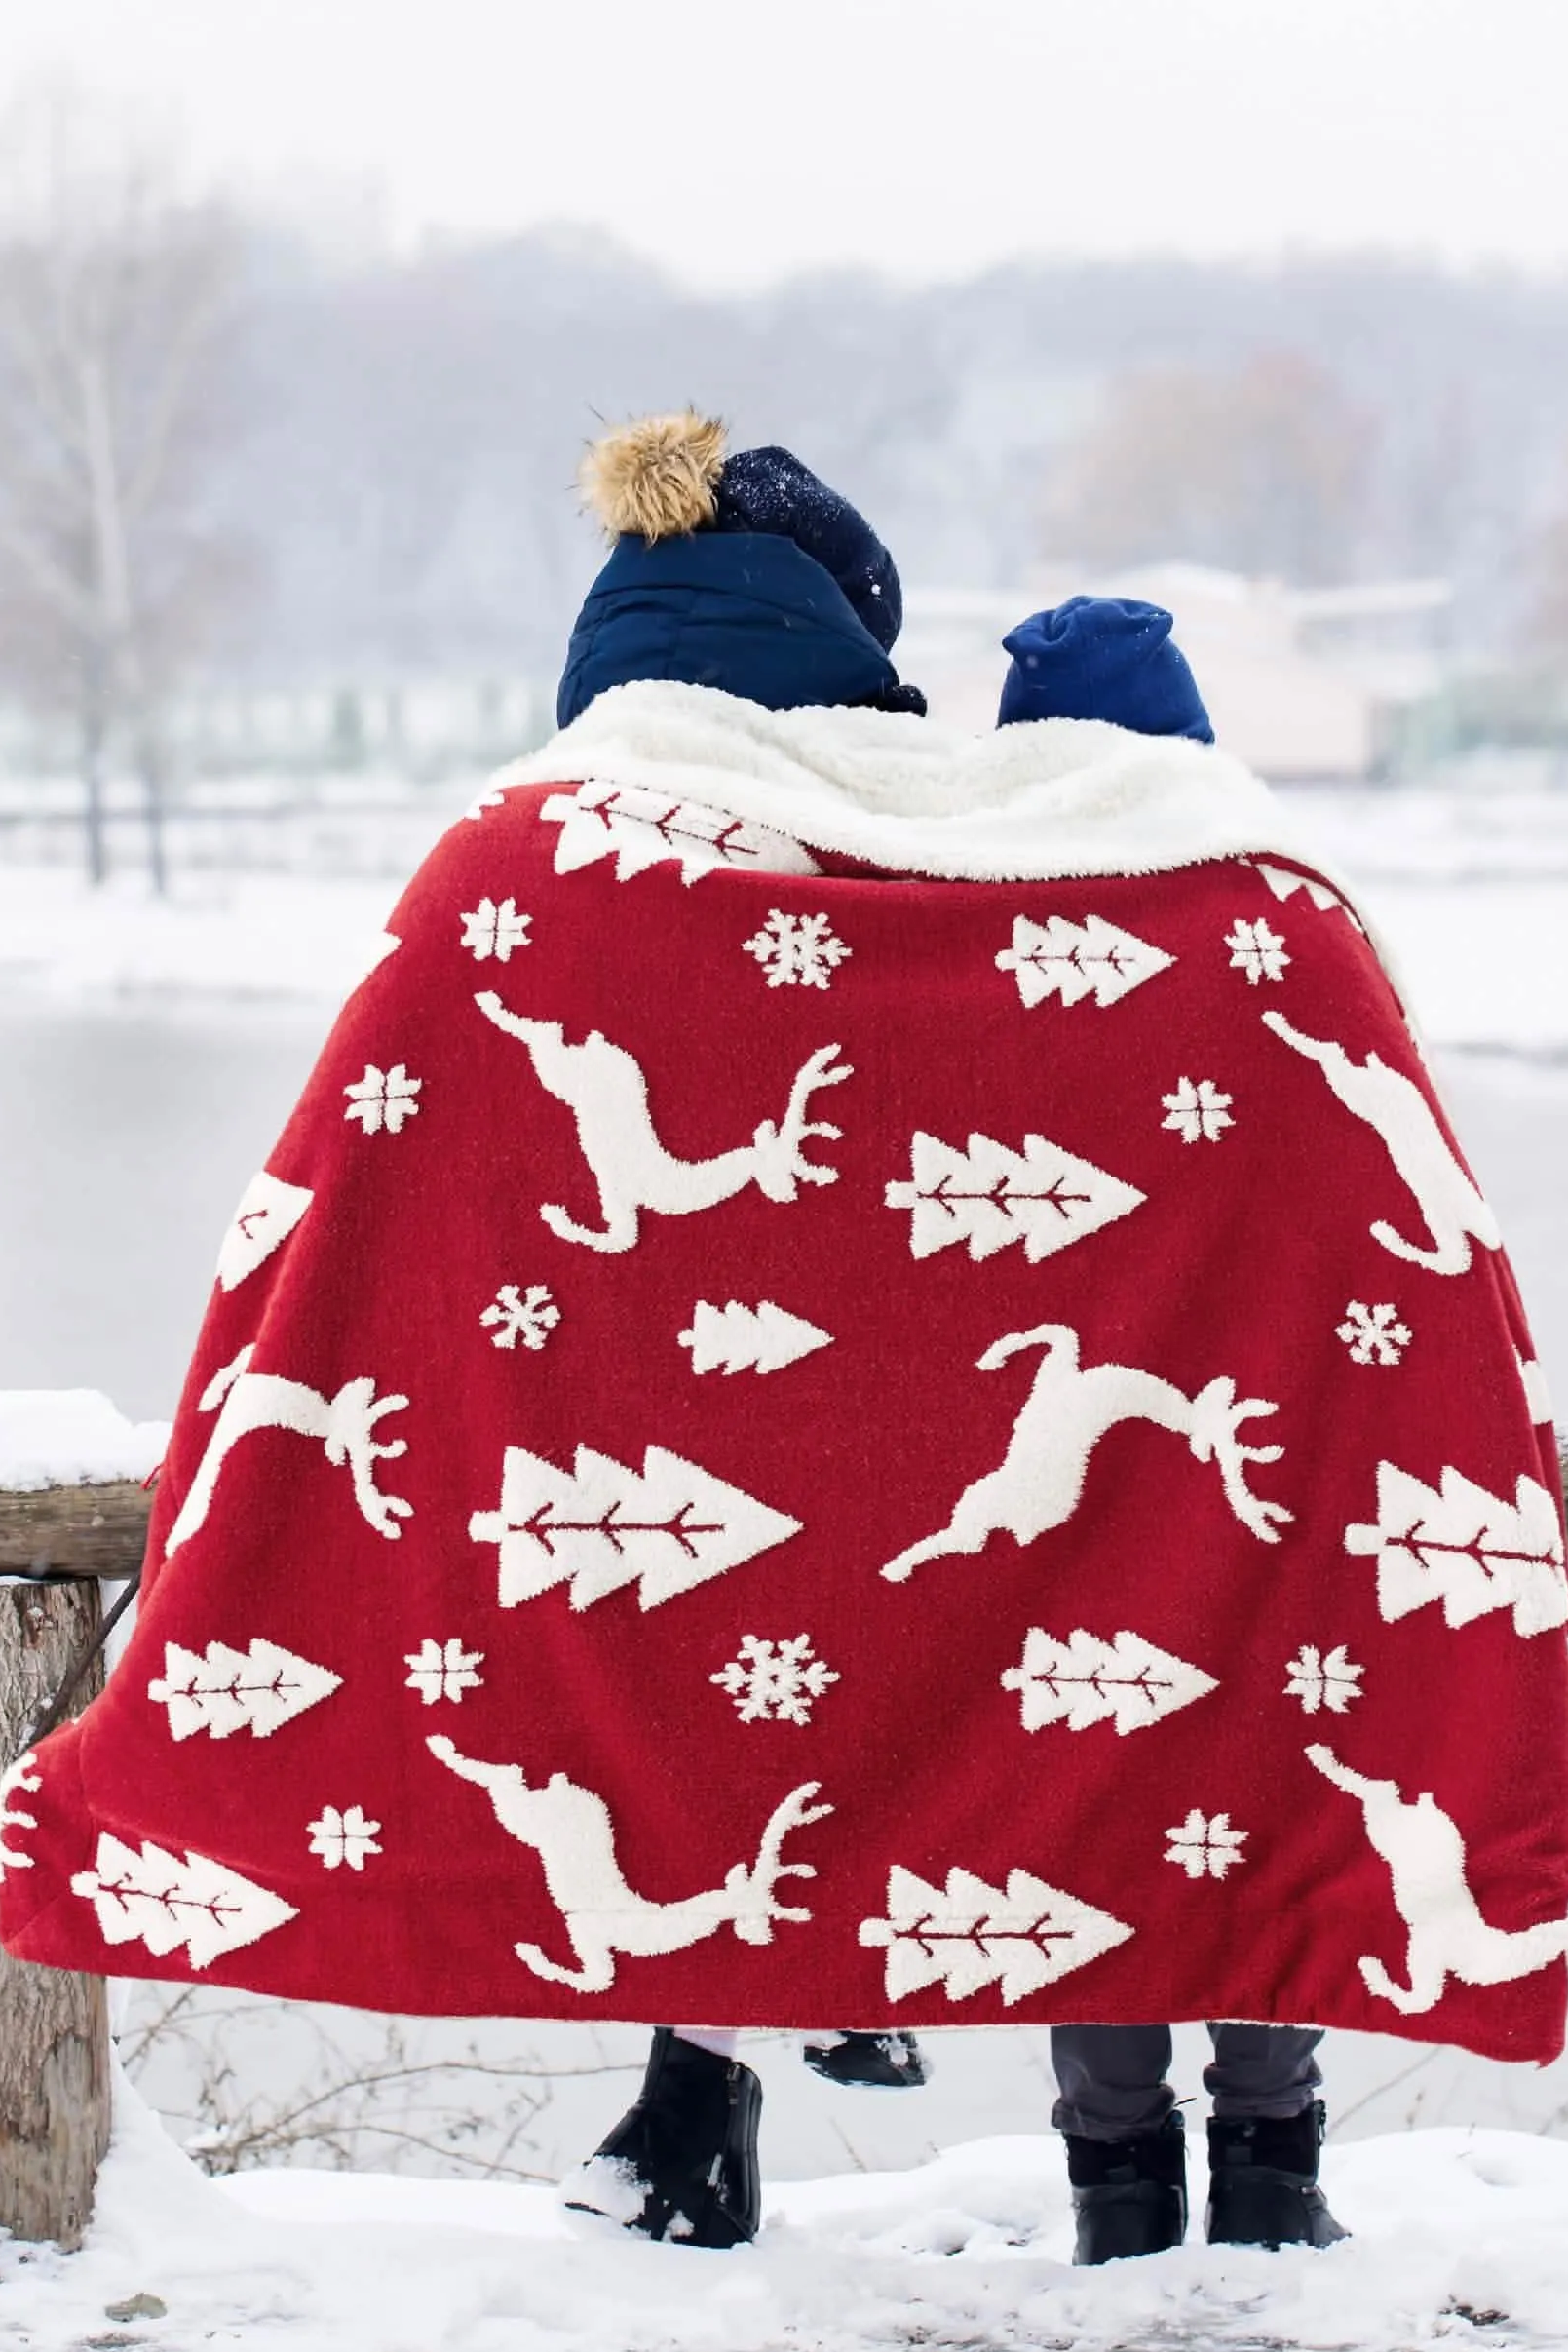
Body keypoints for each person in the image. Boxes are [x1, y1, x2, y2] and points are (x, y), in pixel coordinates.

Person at [552, 413, 932, 2251]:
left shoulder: (535, 841)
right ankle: (787, 2022)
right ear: (844, 636)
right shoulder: (892, 834)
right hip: (863, 1368)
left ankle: (690, 2104)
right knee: (858, 1655)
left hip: (608, 1360)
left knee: (660, 1691)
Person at [995, 593, 1345, 2261]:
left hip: (1063, 1461)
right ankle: (1275, 2166)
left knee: (1087, 1783)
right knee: (1252, 1764)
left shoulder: (972, 930)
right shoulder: (1276, 914)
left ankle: (1113, 2184)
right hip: (1241, 1425)